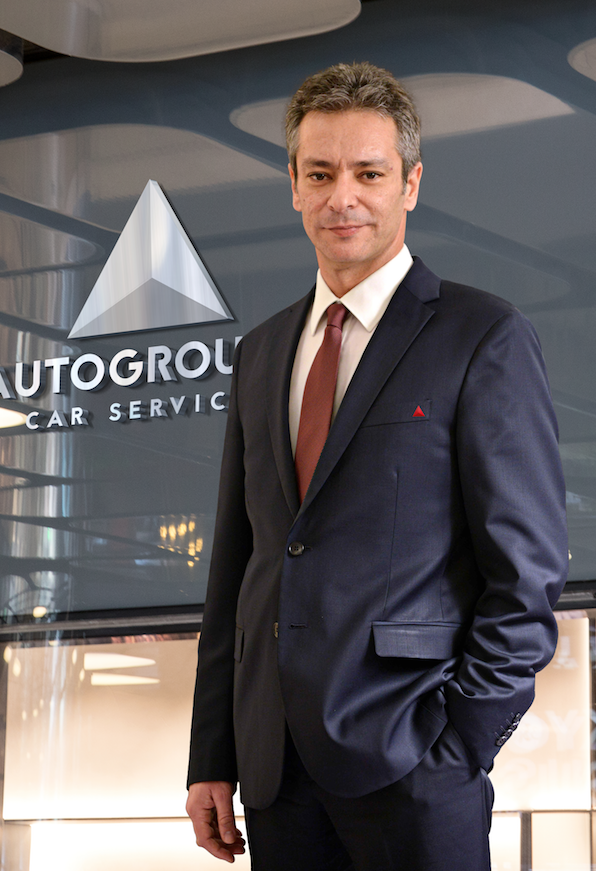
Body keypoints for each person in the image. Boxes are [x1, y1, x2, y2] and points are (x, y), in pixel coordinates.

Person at [186, 62, 568, 871]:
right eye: (319, 174)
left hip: (413, 762)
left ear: (410, 184)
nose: (342, 198)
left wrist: (457, 744)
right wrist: (211, 754)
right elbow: (238, 569)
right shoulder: (260, 352)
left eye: (368, 173)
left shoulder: (480, 335)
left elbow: (526, 572)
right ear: (293, 185)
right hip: (274, 770)